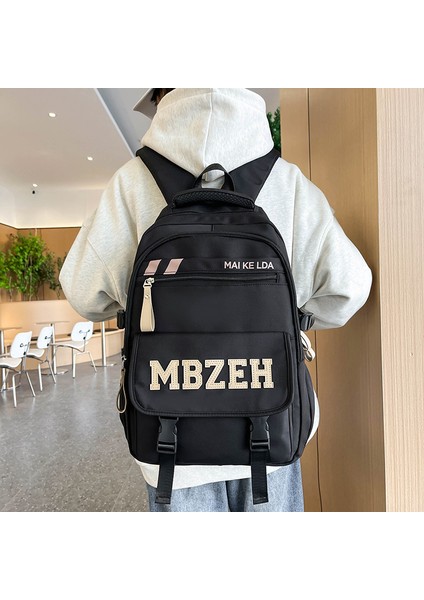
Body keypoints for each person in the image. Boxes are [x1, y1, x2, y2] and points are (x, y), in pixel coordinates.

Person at [59, 88, 372, 512]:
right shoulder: (286, 180)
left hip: (166, 440)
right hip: (272, 425)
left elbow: (82, 290)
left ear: (160, 94)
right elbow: (351, 287)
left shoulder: (131, 183)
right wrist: (297, 317)